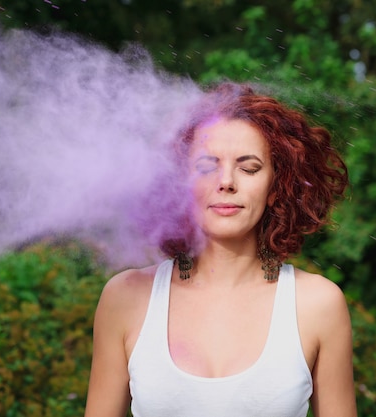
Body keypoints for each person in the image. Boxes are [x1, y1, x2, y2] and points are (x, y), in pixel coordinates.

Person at [84, 82, 356, 417]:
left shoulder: (318, 304)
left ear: (276, 185)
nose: (226, 182)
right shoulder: (126, 298)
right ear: (178, 183)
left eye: (249, 167)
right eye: (206, 166)